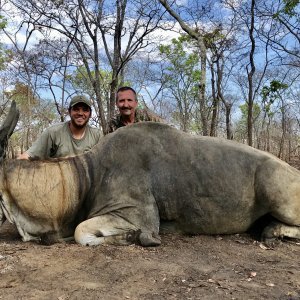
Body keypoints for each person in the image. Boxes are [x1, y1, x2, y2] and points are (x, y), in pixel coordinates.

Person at [18, 95, 101, 160]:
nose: (80, 113)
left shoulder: (98, 135)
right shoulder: (53, 132)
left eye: (85, 110)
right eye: (76, 109)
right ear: (69, 112)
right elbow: (29, 155)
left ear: (90, 114)